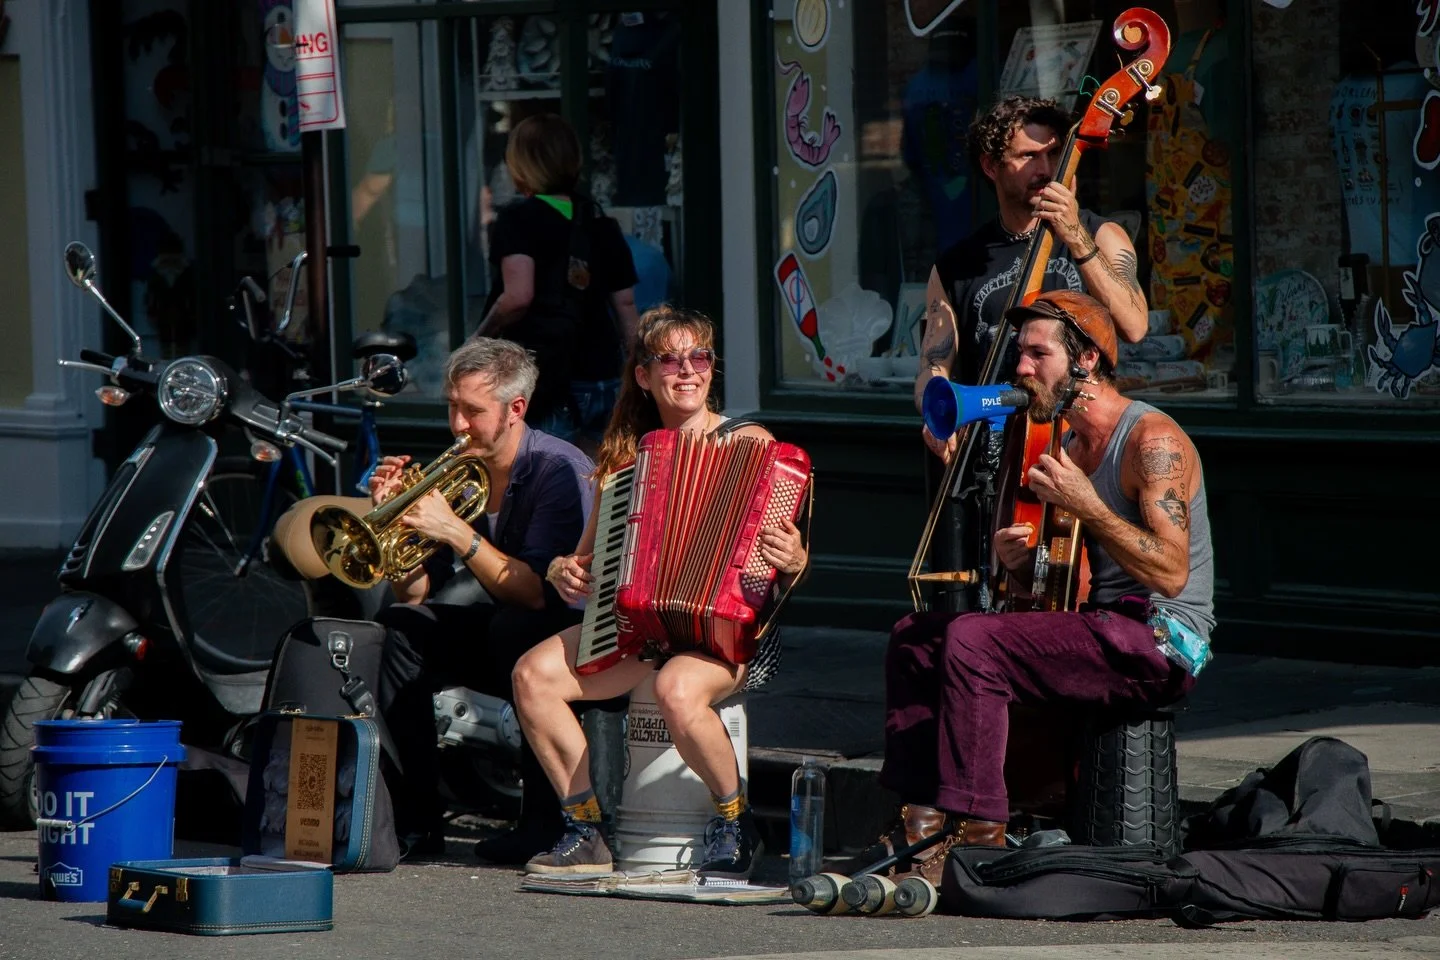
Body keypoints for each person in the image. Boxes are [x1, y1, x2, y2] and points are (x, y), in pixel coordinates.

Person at [877, 290, 1214, 884]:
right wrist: (1019, 564)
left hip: (1164, 639)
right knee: (917, 636)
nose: (1021, 368)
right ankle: (919, 828)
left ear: (1084, 359)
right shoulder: (1065, 442)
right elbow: (1063, 582)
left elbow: (1171, 572)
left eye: (1037, 354)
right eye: (1020, 355)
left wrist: (1089, 504)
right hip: (1103, 623)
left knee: (977, 643)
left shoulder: (1152, 441)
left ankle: (980, 836)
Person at [509, 306, 809, 879]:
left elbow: (789, 567)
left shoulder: (748, 442)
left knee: (676, 687)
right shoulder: (626, 460)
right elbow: (581, 560)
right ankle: (586, 829)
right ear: (644, 376)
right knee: (532, 675)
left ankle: (735, 821)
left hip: (729, 632)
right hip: (644, 630)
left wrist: (794, 560)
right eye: (670, 359)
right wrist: (561, 572)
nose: (688, 370)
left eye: (700, 357)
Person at [369, 338, 595, 859]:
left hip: (565, 635)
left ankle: (544, 824)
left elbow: (538, 595)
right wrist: (394, 531)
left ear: (516, 409)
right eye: (452, 407)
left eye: (473, 411)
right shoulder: (461, 472)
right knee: (398, 629)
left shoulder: (556, 470)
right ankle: (416, 824)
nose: (457, 425)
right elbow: (421, 591)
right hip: (502, 631)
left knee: (514, 627)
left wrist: (455, 531)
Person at [914, 94, 1150, 460]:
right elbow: (933, 364)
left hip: (1086, 448)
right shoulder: (956, 265)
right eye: (1029, 156)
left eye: (1054, 154)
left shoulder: (1101, 235)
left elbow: (1134, 325)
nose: (1046, 169)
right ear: (991, 166)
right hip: (995, 454)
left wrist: (1073, 234)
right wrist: (935, 412)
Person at [475, 113, 640, 451]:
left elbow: (518, 297)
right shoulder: (598, 220)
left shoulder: (519, 219)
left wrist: (478, 339)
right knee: (597, 486)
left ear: (521, 164)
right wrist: (638, 368)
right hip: (602, 376)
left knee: (548, 484)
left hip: (548, 380)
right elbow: (625, 306)